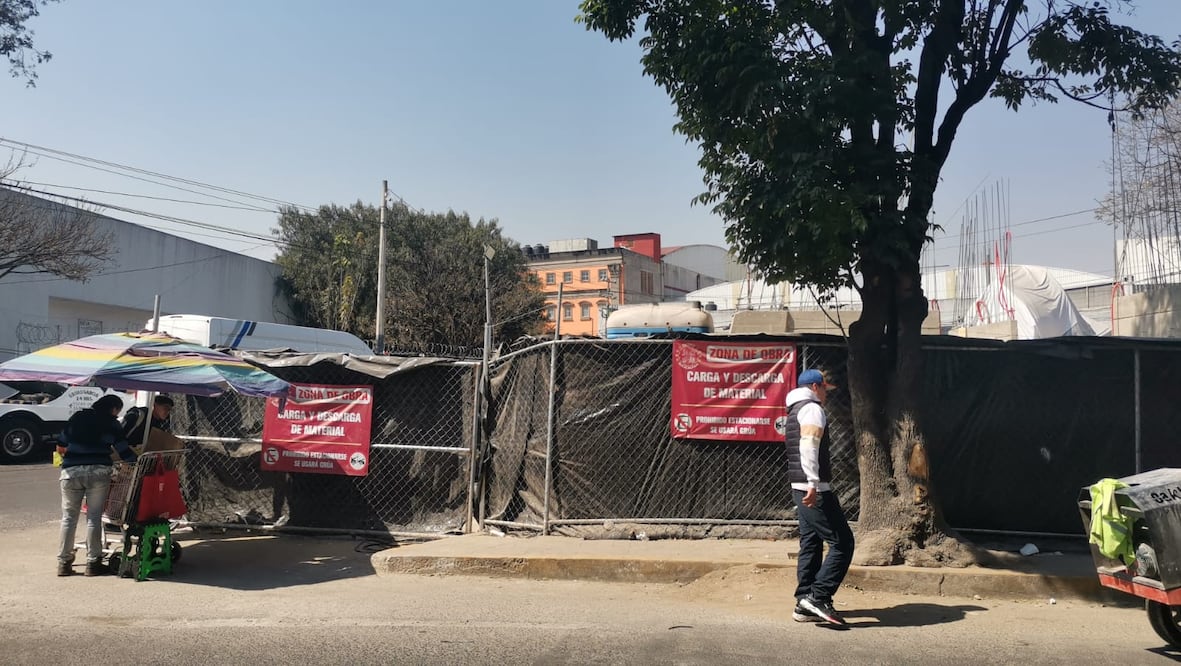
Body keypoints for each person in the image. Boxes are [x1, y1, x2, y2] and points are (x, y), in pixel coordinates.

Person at [785, 368, 854, 626]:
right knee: (843, 543)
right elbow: (809, 445)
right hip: (814, 488)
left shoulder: (794, 408)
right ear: (815, 387)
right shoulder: (812, 408)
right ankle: (819, 596)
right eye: (825, 389)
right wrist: (813, 482)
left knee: (811, 543)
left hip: (800, 485)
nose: (826, 394)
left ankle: (805, 602)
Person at [57, 394, 137, 576]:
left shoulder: (77, 418)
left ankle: (64, 562)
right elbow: (123, 450)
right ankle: (93, 563)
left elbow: (61, 442)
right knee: (93, 517)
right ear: (114, 408)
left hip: (71, 472)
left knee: (68, 518)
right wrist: (136, 462)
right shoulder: (111, 423)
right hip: (98, 473)